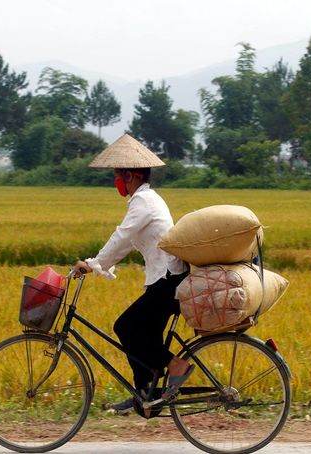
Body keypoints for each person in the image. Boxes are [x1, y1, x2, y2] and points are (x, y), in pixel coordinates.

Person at [73, 134, 191, 414]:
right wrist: (98, 264)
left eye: (118, 176)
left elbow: (121, 237)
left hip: (168, 281)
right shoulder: (145, 200)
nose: (116, 181)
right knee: (143, 338)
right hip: (163, 280)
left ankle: (176, 366)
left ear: (131, 175)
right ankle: (146, 394)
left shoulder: (143, 202)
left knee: (125, 327)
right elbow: (126, 244)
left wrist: (93, 264)